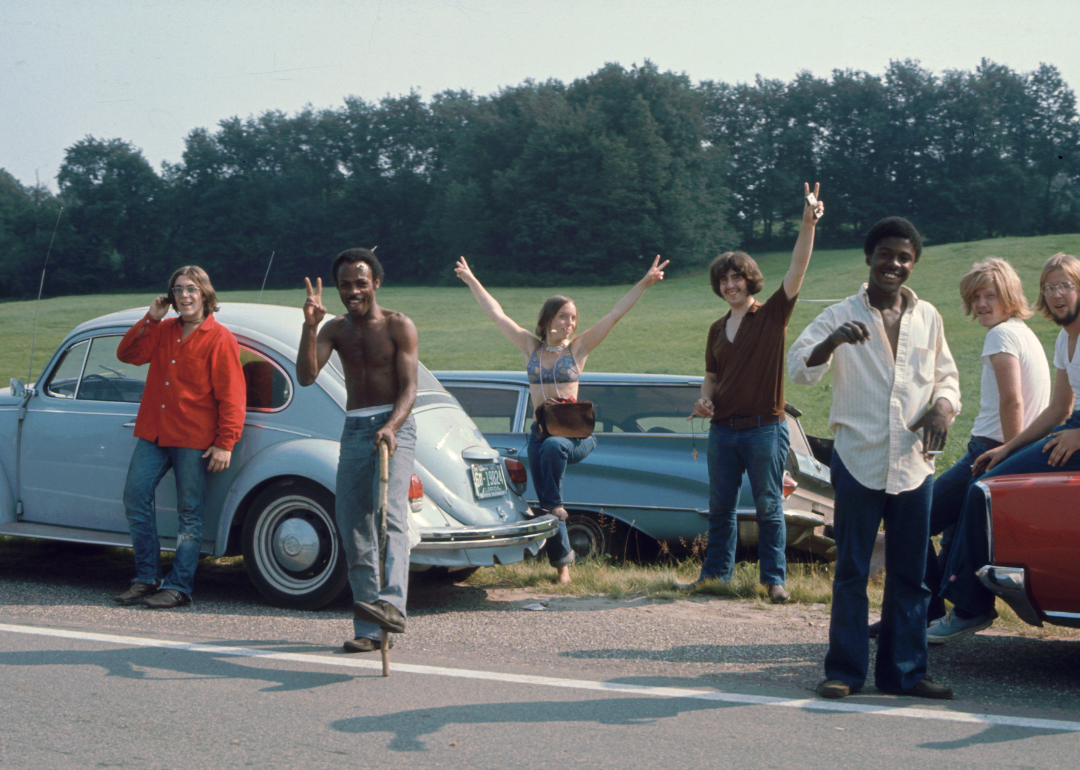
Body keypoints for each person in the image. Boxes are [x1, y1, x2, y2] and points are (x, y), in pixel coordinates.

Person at [788, 216, 960, 700]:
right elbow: (799, 370)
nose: (895, 264)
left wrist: (944, 407)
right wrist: (833, 340)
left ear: (913, 264)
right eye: (886, 254)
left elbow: (947, 377)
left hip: (913, 465)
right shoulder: (840, 313)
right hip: (858, 459)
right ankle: (843, 671)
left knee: (911, 575)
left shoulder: (928, 317)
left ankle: (905, 673)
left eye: (905, 257)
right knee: (852, 572)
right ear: (869, 258)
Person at [455, 254, 669, 584]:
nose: (570, 323)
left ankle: (555, 507)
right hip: (540, 434)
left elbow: (614, 315)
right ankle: (563, 568)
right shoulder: (531, 347)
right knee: (546, 498)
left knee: (555, 451)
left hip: (576, 435)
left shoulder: (578, 350)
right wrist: (472, 281)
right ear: (547, 319)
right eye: (563, 316)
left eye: (573, 318)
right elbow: (497, 314)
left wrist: (644, 282)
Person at [867, 258, 1049, 638]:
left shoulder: (1001, 336)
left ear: (1010, 296)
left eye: (990, 296)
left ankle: (925, 616)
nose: (981, 304)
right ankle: (925, 617)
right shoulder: (1022, 332)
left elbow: (1013, 401)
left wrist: (1009, 457)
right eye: (975, 297)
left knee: (910, 522)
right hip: (1001, 448)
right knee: (944, 534)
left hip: (990, 451)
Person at [683, 184, 825, 604]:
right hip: (723, 430)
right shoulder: (715, 328)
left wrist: (806, 223)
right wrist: (703, 400)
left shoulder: (773, 314)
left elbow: (797, 268)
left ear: (750, 281)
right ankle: (715, 579)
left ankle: (773, 581)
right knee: (720, 509)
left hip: (766, 429)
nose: (730, 284)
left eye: (737, 277)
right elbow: (711, 375)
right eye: (724, 279)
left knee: (768, 507)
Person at [929, 252, 1080, 644]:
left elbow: (1015, 402)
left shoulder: (1003, 335)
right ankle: (941, 608)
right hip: (1065, 426)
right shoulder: (1064, 339)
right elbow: (1058, 409)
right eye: (1049, 288)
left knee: (978, 494)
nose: (1056, 294)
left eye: (1065, 285)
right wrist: (1010, 449)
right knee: (967, 507)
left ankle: (968, 608)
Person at [297, 248, 419, 653]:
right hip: (355, 428)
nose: (353, 291)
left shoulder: (399, 325)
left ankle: (394, 605)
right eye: (345, 284)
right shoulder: (335, 330)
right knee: (354, 524)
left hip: (395, 425)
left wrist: (391, 426)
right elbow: (306, 377)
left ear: (376, 283)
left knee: (392, 516)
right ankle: (369, 627)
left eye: (360, 283)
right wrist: (309, 327)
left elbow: (410, 389)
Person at [113, 266, 246, 609]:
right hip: (154, 432)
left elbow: (232, 396)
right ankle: (146, 578)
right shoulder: (164, 329)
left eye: (190, 289)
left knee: (190, 513)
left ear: (204, 293)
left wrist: (225, 442)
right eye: (177, 290)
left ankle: (179, 586)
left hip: (193, 438)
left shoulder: (220, 337)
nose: (183, 296)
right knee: (135, 497)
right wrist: (151, 318)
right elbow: (127, 355)